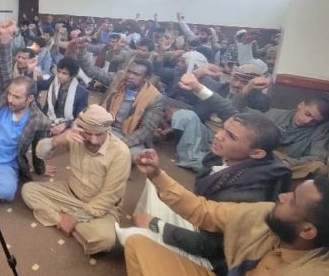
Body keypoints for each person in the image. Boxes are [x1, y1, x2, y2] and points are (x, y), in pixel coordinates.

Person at [123, 148, 329, 276]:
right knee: (137, 244)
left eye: (292, 201)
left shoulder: (318, 272)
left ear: (307, 231)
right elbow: (204, 211)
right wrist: (157, 175)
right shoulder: (266, 214)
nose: (282, 197)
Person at [123, 112, 291, 274]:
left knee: (131, 236)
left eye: (231, 136)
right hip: (201, 226)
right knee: (155, 187)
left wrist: (157, 225)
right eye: (223, 128)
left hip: (212, 260)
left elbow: (213, 248)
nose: (218, 135)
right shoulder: (230, 158)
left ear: (256, 153)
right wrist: (156, 174)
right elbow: (202, 208)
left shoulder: (250, 196)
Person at [21, 105, 131, 255]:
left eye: (99, 134)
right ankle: (66, 223)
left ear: (108, 130)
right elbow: (40, 153)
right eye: (88, 134)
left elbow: (110, 196)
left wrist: (76, 217)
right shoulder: (75, 137)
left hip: (101, 207)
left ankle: (64, 220)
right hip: (69, 193)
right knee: (28, 190)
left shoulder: (121, 152)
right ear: (80, 129)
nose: (93, 140)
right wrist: (58, 140)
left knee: (106, 240)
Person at [76, 44, 163, 158]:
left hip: (127, 137)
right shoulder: (119, 79)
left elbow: (145, 130)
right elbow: (92, 71)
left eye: (136, 74)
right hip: (104, 128)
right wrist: (82, 49)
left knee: (136, 156)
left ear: (146, 78)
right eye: (129, 72)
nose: (130, 76)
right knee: (78, 134)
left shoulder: (155, 98)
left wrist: (117, 145)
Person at [265, 97, 329, 179]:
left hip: (289, 166)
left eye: (314, 121)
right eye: (307, 114)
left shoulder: (319, 131)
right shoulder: (273, 115)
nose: (307, 121)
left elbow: (317, 157)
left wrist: (289, 162)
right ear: (301, 105)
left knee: (320, 168)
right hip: (264, 157)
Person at [43, 57, 89, 135]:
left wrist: (66, 124)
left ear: (72, 75)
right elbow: (46, 107)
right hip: (50, 120)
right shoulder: (53, 84)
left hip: (68, 127)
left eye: (64, 73)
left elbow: (81, 118)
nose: (59, 76)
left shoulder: (81, 93)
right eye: (58, 72)